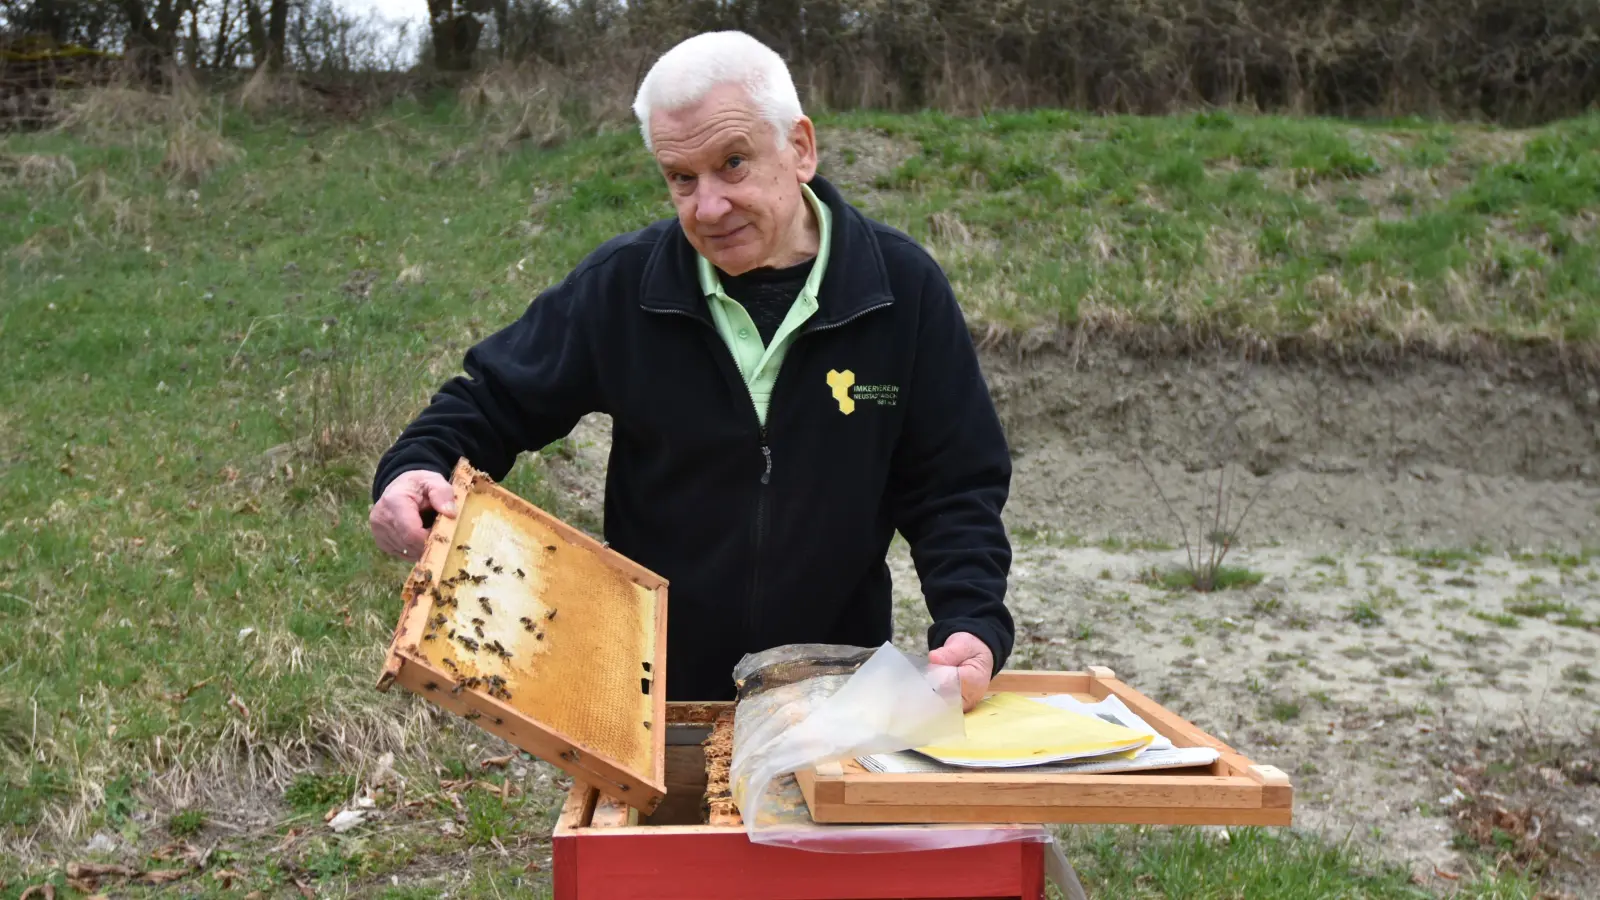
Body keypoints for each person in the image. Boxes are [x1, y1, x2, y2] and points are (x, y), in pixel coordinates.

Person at [368, 31, 1014, 709]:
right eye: (682, 178)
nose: (707, 207)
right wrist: (418, 465)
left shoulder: (900, 289)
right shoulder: (623, 286)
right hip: (653, 697)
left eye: (733, 164)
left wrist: (972, 620)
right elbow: (492, 400)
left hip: (832, 694)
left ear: (800, 148)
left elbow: (954, 484)